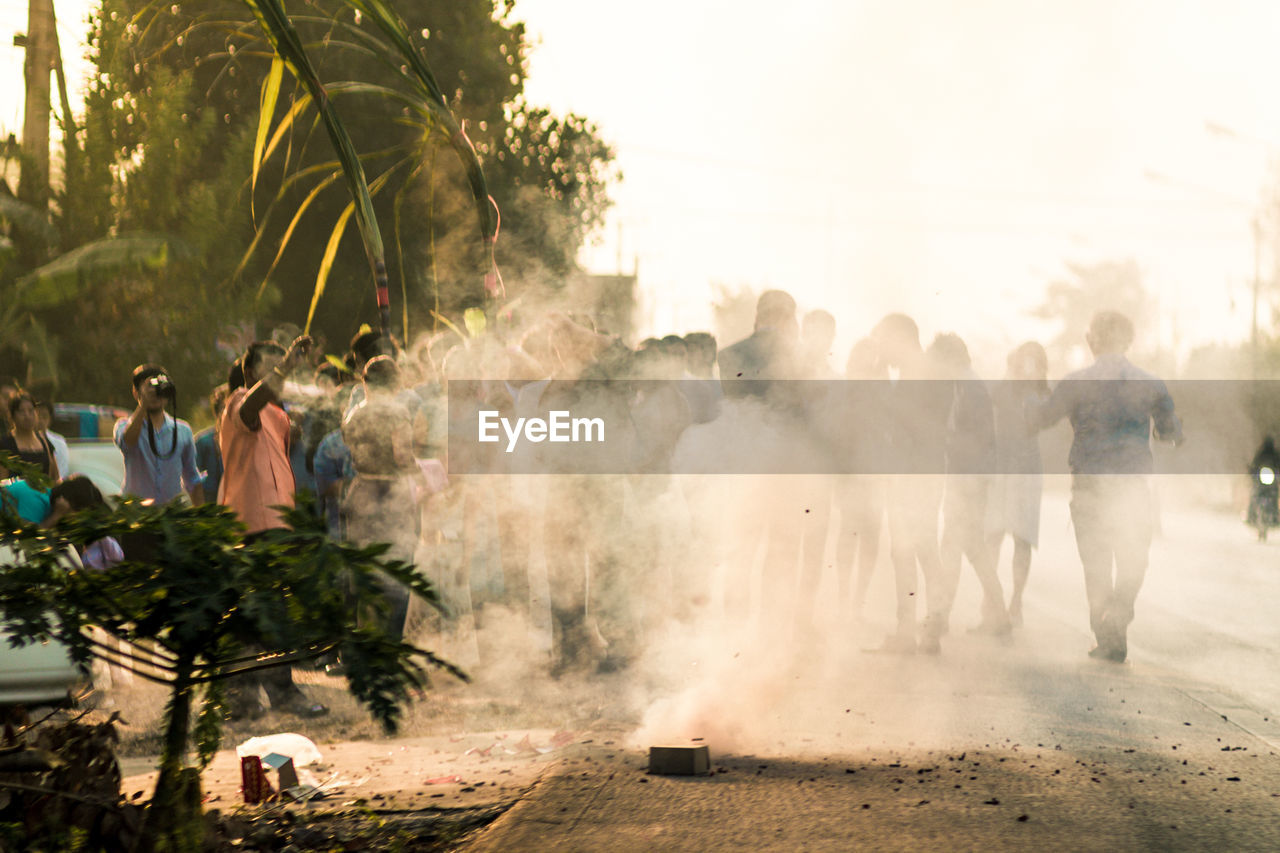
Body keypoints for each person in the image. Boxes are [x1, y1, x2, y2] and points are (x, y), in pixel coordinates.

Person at [1027, 311, 1182, 663]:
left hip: (1089, 487)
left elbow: (1040, 418)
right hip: (1131, 488)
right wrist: (1170, 431)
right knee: (1133, 561)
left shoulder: (1075, 383)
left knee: (1096, 565)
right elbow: (1170, 433)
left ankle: (1108, 638)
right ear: (1129, 342)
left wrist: (1032, 391)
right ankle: (1120, 615)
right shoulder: (1152, 384)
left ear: (1091, 340)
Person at [220, 336, 328, 718]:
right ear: (249, 372)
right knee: (267, 613)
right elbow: (250, 407)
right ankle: (279, 694)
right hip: (250, 523)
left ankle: (242, 698)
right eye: (267, 366)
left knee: (253, 615)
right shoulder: (238, 401)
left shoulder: (277, 412)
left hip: (276, 522)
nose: (275, 372)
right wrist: (285, 370)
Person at [871, 314, 952, 654]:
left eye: (883, 343)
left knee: (905, 549)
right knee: (925, 548)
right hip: (927, 470)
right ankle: (931, 626)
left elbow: (915, 426)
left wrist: (884, 399)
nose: (882, 352)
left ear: (900, 338)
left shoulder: (917, 374)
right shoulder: (927, 370)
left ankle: (909, 631)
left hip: (913, 473)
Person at [928, 333, 1010, 646]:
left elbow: (966, 436)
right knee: (972, 547)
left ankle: (939, 617)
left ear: (949, 358)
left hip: (967, 477)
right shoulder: (969, 383)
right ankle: (997, 613)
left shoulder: (967, 386)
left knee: (951, 544)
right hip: (973, 476)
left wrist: (941, 440)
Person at [342, 355, 418, 639]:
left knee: (365, 574)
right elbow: (402, 455)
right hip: (390, 495)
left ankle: (366, 645)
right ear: (396, 382)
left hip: (360, 493)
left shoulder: (353, 414)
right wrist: (423, 473)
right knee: (395, 570)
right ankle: (389, 647)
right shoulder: (398, 413)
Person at [986, 342, 1049, 626]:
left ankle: (1016, 603)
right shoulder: (1002, 388)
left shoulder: (1042, 394)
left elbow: (1042, 418)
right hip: (1000, 468)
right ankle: (991, 601)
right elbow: (991, 404)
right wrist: (1011, 373)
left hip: (1026, 471)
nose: (1027, 367)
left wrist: (1031, 383)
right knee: (992, 536)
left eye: (1033, 362)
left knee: (1022, 539)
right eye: (1023, 361)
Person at [115, 365, 204, 505]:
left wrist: (201, 516)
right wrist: (143, 404)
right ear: (135, 392)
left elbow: (193, 479)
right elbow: (127, 442)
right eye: (149, 388)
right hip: (136, 515)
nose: (155, 393)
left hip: (171, 515)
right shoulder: (123, 425)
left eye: (159, 388)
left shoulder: (182, 430)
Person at [0, 393, 60, 481]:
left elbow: (55, 478)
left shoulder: (45, 441)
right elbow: (2, 483)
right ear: (12, 416)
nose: (27, 416)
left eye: (31, 410)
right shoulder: (5, 444)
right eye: (21, 411)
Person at [194, 386, 229, 505]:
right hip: (209, 496)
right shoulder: (203, 441)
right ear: (217, 412)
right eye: (223, 408)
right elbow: (194, 477)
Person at [34, 401, 70, 482]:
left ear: (50, 419)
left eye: (45, 416)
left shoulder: (59, 442)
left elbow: (62, 470)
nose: (41, 421)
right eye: (38, 416)